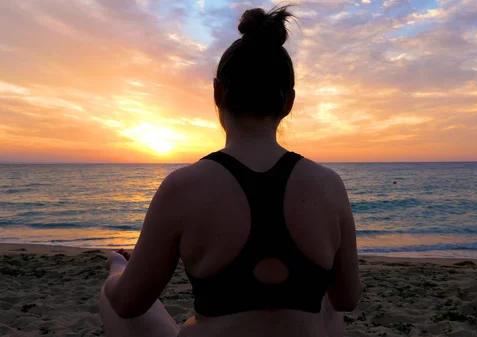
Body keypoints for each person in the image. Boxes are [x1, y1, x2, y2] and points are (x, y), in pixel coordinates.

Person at [99, 6, 361, 337]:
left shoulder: (183, 186)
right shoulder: (329, 185)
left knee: (112, 298)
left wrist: (118, 270)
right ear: (289, 102)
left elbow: (128, 304)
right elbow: (347, 298)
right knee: (325, 310)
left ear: (217, 92)